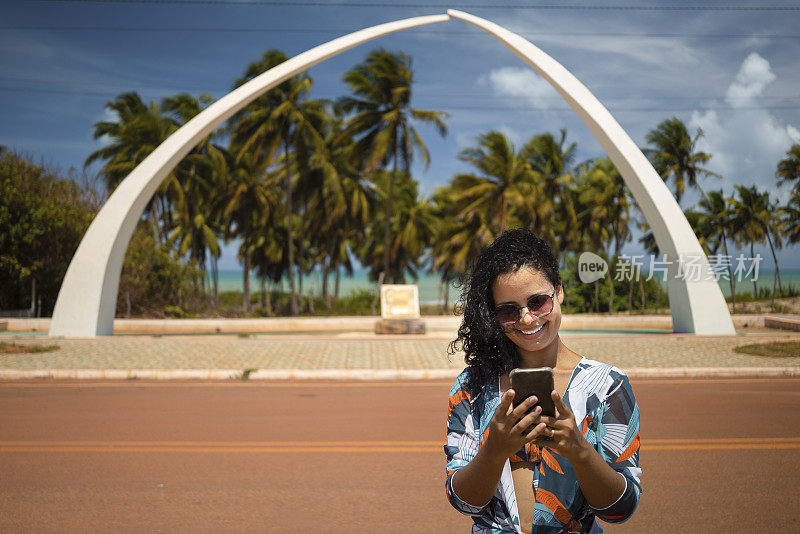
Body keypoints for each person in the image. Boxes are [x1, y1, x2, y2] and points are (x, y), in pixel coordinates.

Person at [444, 228, 642, 533]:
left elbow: (621, 508)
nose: (526, 318)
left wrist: (580, 451)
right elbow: (463, 502)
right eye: (508, 310)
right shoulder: (472, 387)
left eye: (538, 302)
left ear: (559, 291)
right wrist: (494, 451)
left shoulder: (607, 386)